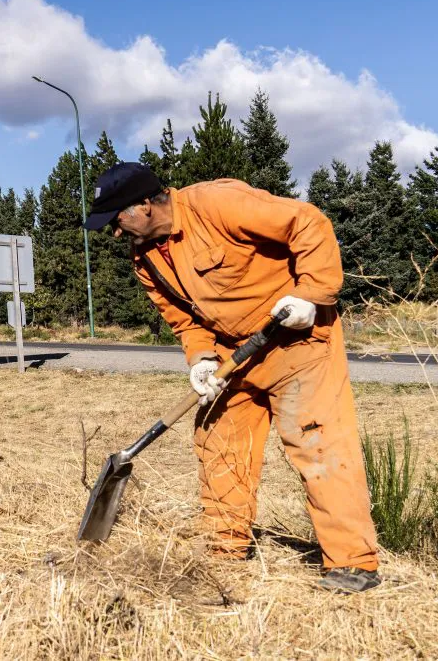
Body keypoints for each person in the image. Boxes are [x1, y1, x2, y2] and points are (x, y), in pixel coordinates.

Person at [84, 163, 381, 593]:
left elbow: (308, 222)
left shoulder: (217, 203)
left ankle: (351, 562)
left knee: (317, 442)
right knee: (217, 440)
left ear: (145, 204)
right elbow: (182, 318)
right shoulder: (144, 258)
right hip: (232, 355)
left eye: (117, 219)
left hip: (297, 340)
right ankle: (226, 548)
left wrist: (311, 294)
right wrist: (202, 358)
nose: (115, 231)